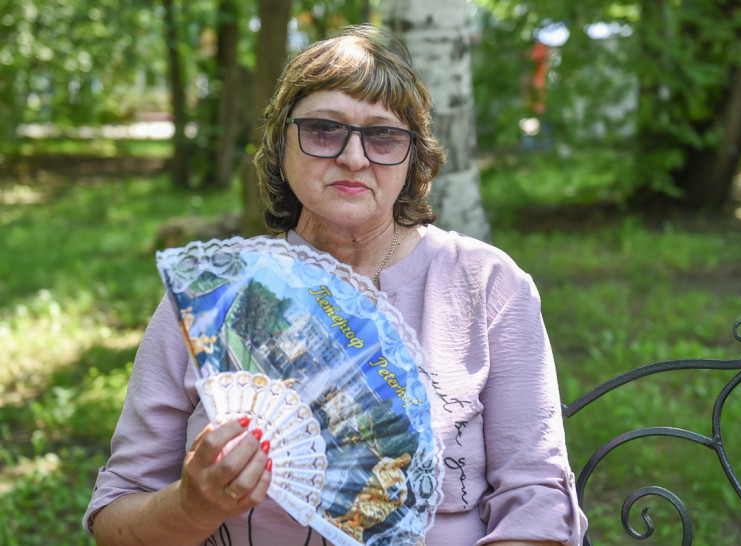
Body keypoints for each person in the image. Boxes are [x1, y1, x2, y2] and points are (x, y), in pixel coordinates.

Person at [83, 24, 587, 546]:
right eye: (324, 130)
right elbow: (116, 517)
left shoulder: (485, 284)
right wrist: (191, 507)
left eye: (383, 136)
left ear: (414, 158)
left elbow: (536, 502)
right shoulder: (213, 296)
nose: (353, 157)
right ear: (281, 145)